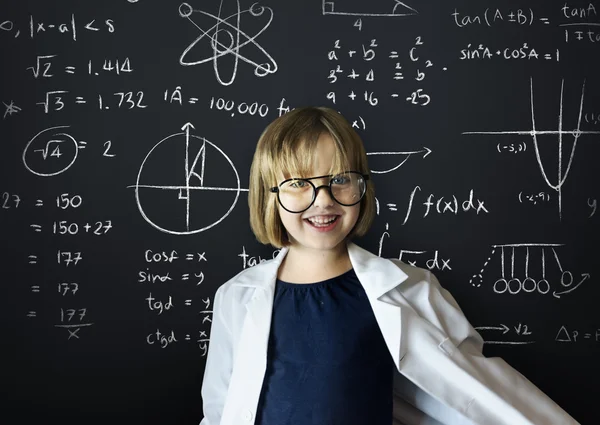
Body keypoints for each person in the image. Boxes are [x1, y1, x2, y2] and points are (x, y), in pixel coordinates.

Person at [199, 107, 579, 425]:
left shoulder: (410, 289)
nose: (323, 200)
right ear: (269, 195)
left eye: (341, 180)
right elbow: (220, 408)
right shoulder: (237, 296)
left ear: (363, 187)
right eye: (299, 183)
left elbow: (474, 386)